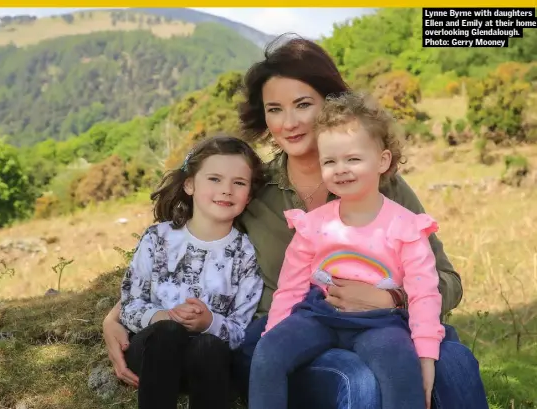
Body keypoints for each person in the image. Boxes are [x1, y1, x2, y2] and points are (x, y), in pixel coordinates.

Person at [103, 35, 489, 409]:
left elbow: (447, 281)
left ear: (330, 104)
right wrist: (116, 315)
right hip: (290, 332)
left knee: (455, 364)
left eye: (302, 104)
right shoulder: (253, 188)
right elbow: (195, 249)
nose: (288, 123)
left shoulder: (381, 184)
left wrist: (391, 298)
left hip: (384, 326)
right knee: (355, 379)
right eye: (274, 109)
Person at [249, 90, 445, 409]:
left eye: (353, 159)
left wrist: (426, 356)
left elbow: (424, 294)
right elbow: (290, 288)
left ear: (382, 161)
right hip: (318, 314)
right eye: (330, 161)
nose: (341, 169)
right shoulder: (312, 225)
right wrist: (273, 335)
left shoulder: (406, 227)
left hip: (379, 321)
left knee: (400, 369)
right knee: (268, 354)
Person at [118, 135, 265, 409]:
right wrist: (164, 316)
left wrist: (208, 322)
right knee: (167, 333)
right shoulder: (157, 238)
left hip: (210, 361)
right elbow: (129, 305)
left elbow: (241, 329)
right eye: (214, 179)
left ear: (249, 195)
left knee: (208, 347)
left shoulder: (244, 252)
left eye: (239, 183)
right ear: (189, 184)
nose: (226, 190)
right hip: (153, 353)